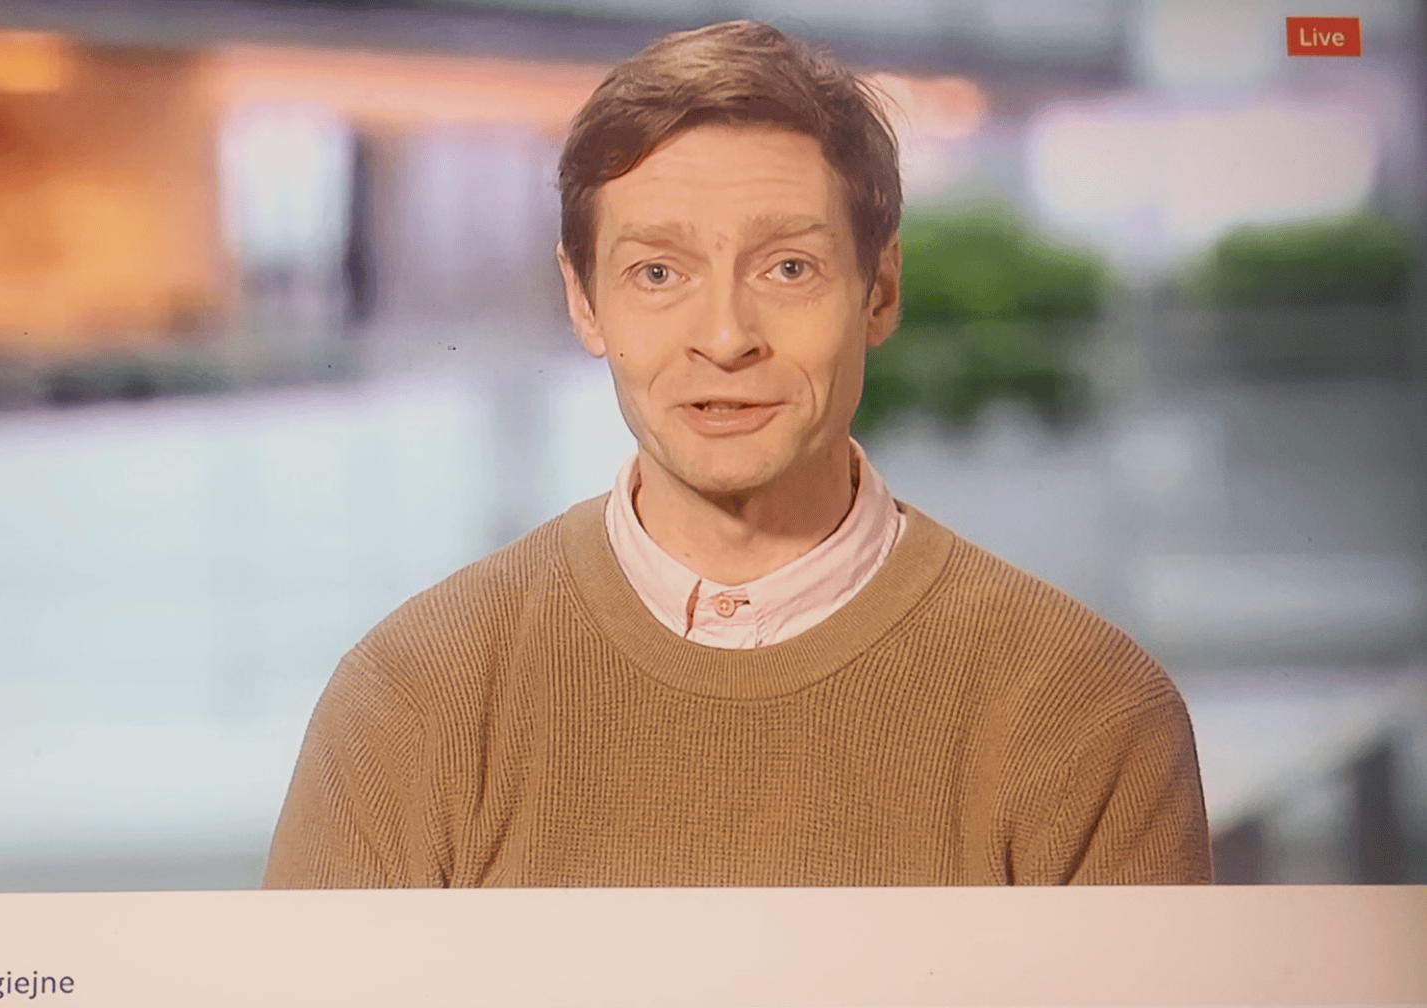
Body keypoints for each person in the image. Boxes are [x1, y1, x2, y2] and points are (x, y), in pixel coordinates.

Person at [263, 19, 1212, 887]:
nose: (725, 337)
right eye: (658, 272)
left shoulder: (1086, 715)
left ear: (880, 291)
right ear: (585, 302)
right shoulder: (411, 703)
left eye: (788, 268)